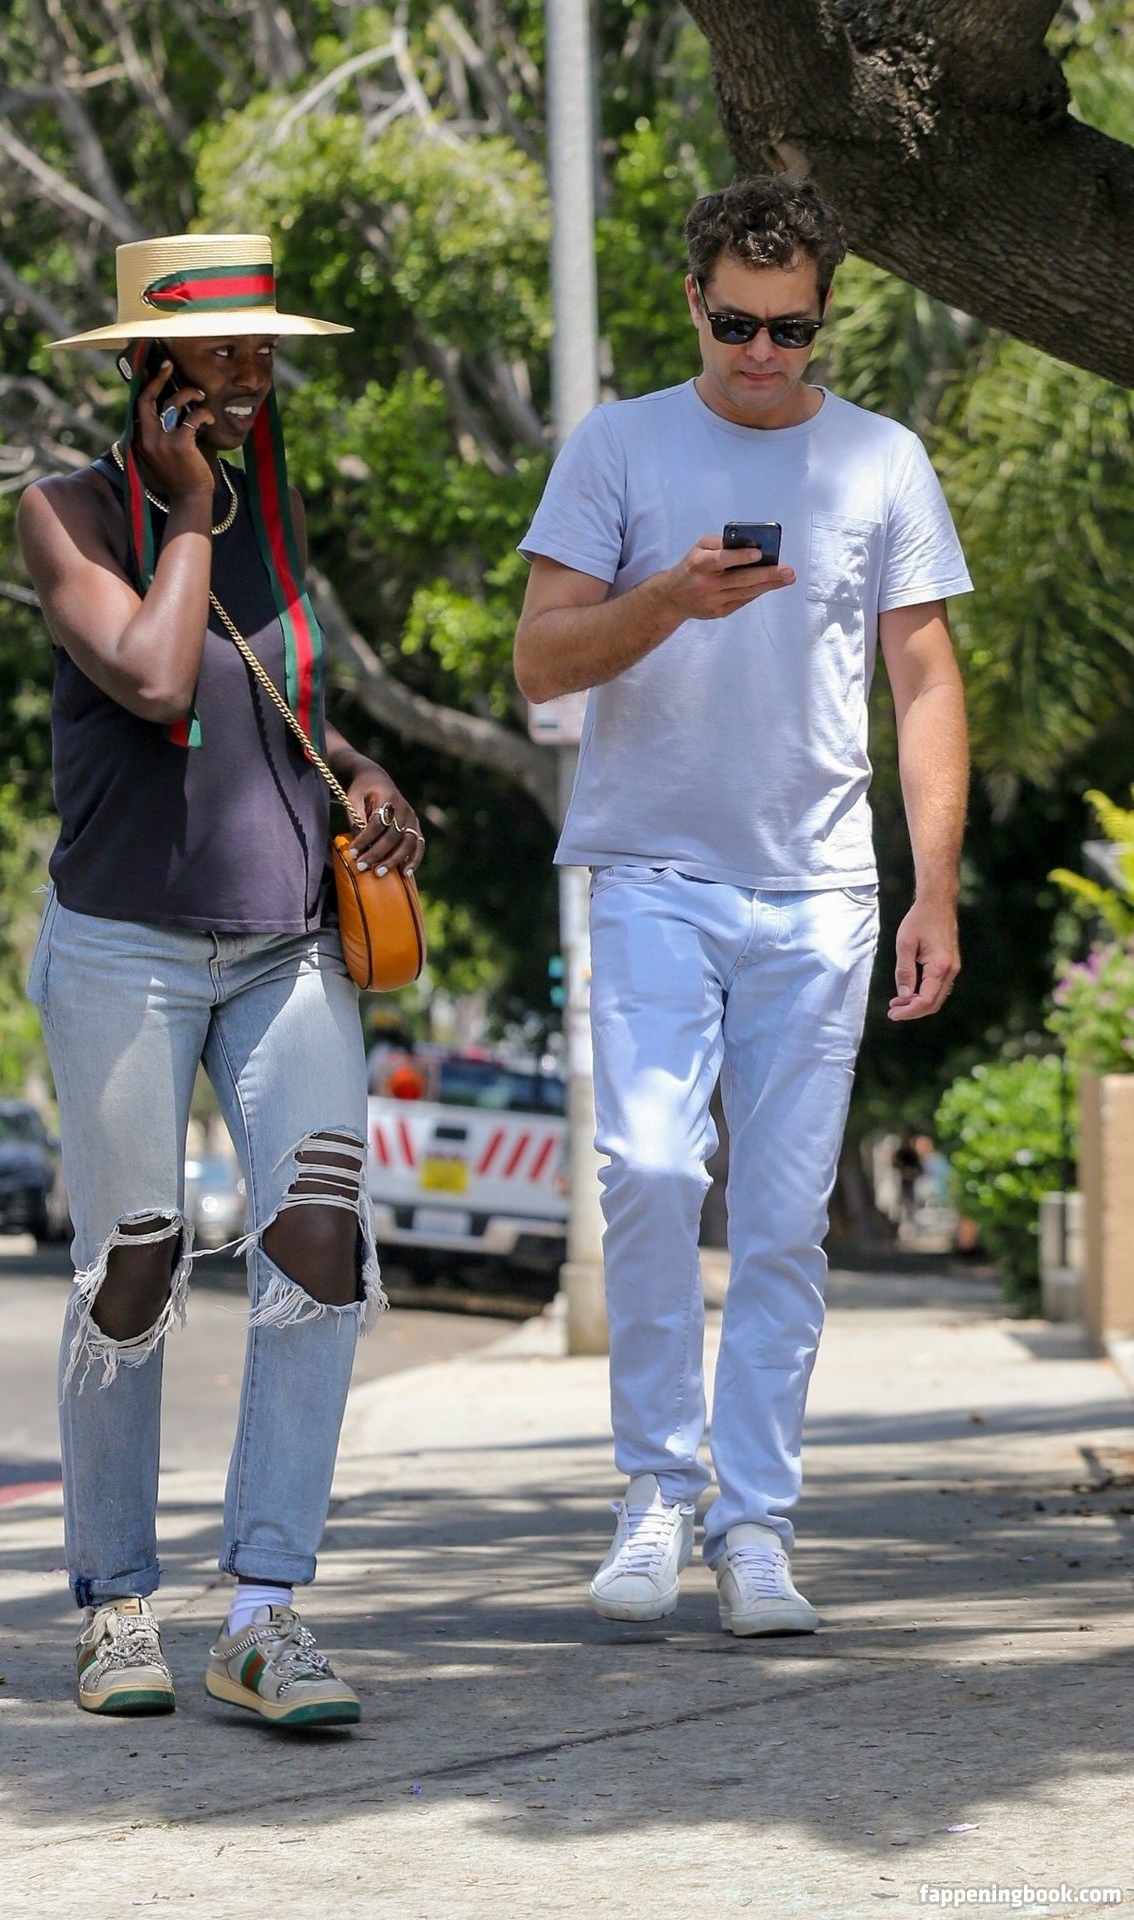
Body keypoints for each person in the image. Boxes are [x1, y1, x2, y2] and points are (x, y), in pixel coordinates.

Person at [514, 177, 968, 1636]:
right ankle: (657, 1490)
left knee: (780, 1223)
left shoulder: (883, 459)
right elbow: (540, 660)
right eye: (735, 324)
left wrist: (935, 889)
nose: (762, 354)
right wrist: (670, 601)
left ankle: (755, 1523)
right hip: (655, 869)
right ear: (693, 304)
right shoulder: (620, 444)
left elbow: (925, 680)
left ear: (825, 314)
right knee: (650, 1169)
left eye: (791, 328)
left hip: (824, 886)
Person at [18, 232, 426, 1722]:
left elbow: (274, 702)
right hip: (123, 946)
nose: (251, 381)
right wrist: (188, 506)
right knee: (133, 1265)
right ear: (152, 371)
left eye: (264, 355)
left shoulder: (279, 512)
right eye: (223, 356)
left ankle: (263, 1614)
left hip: (285, 944)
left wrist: (362, 772)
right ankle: (117, 1606)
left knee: (318, 1242)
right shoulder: (65, 514)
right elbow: (153, 676)